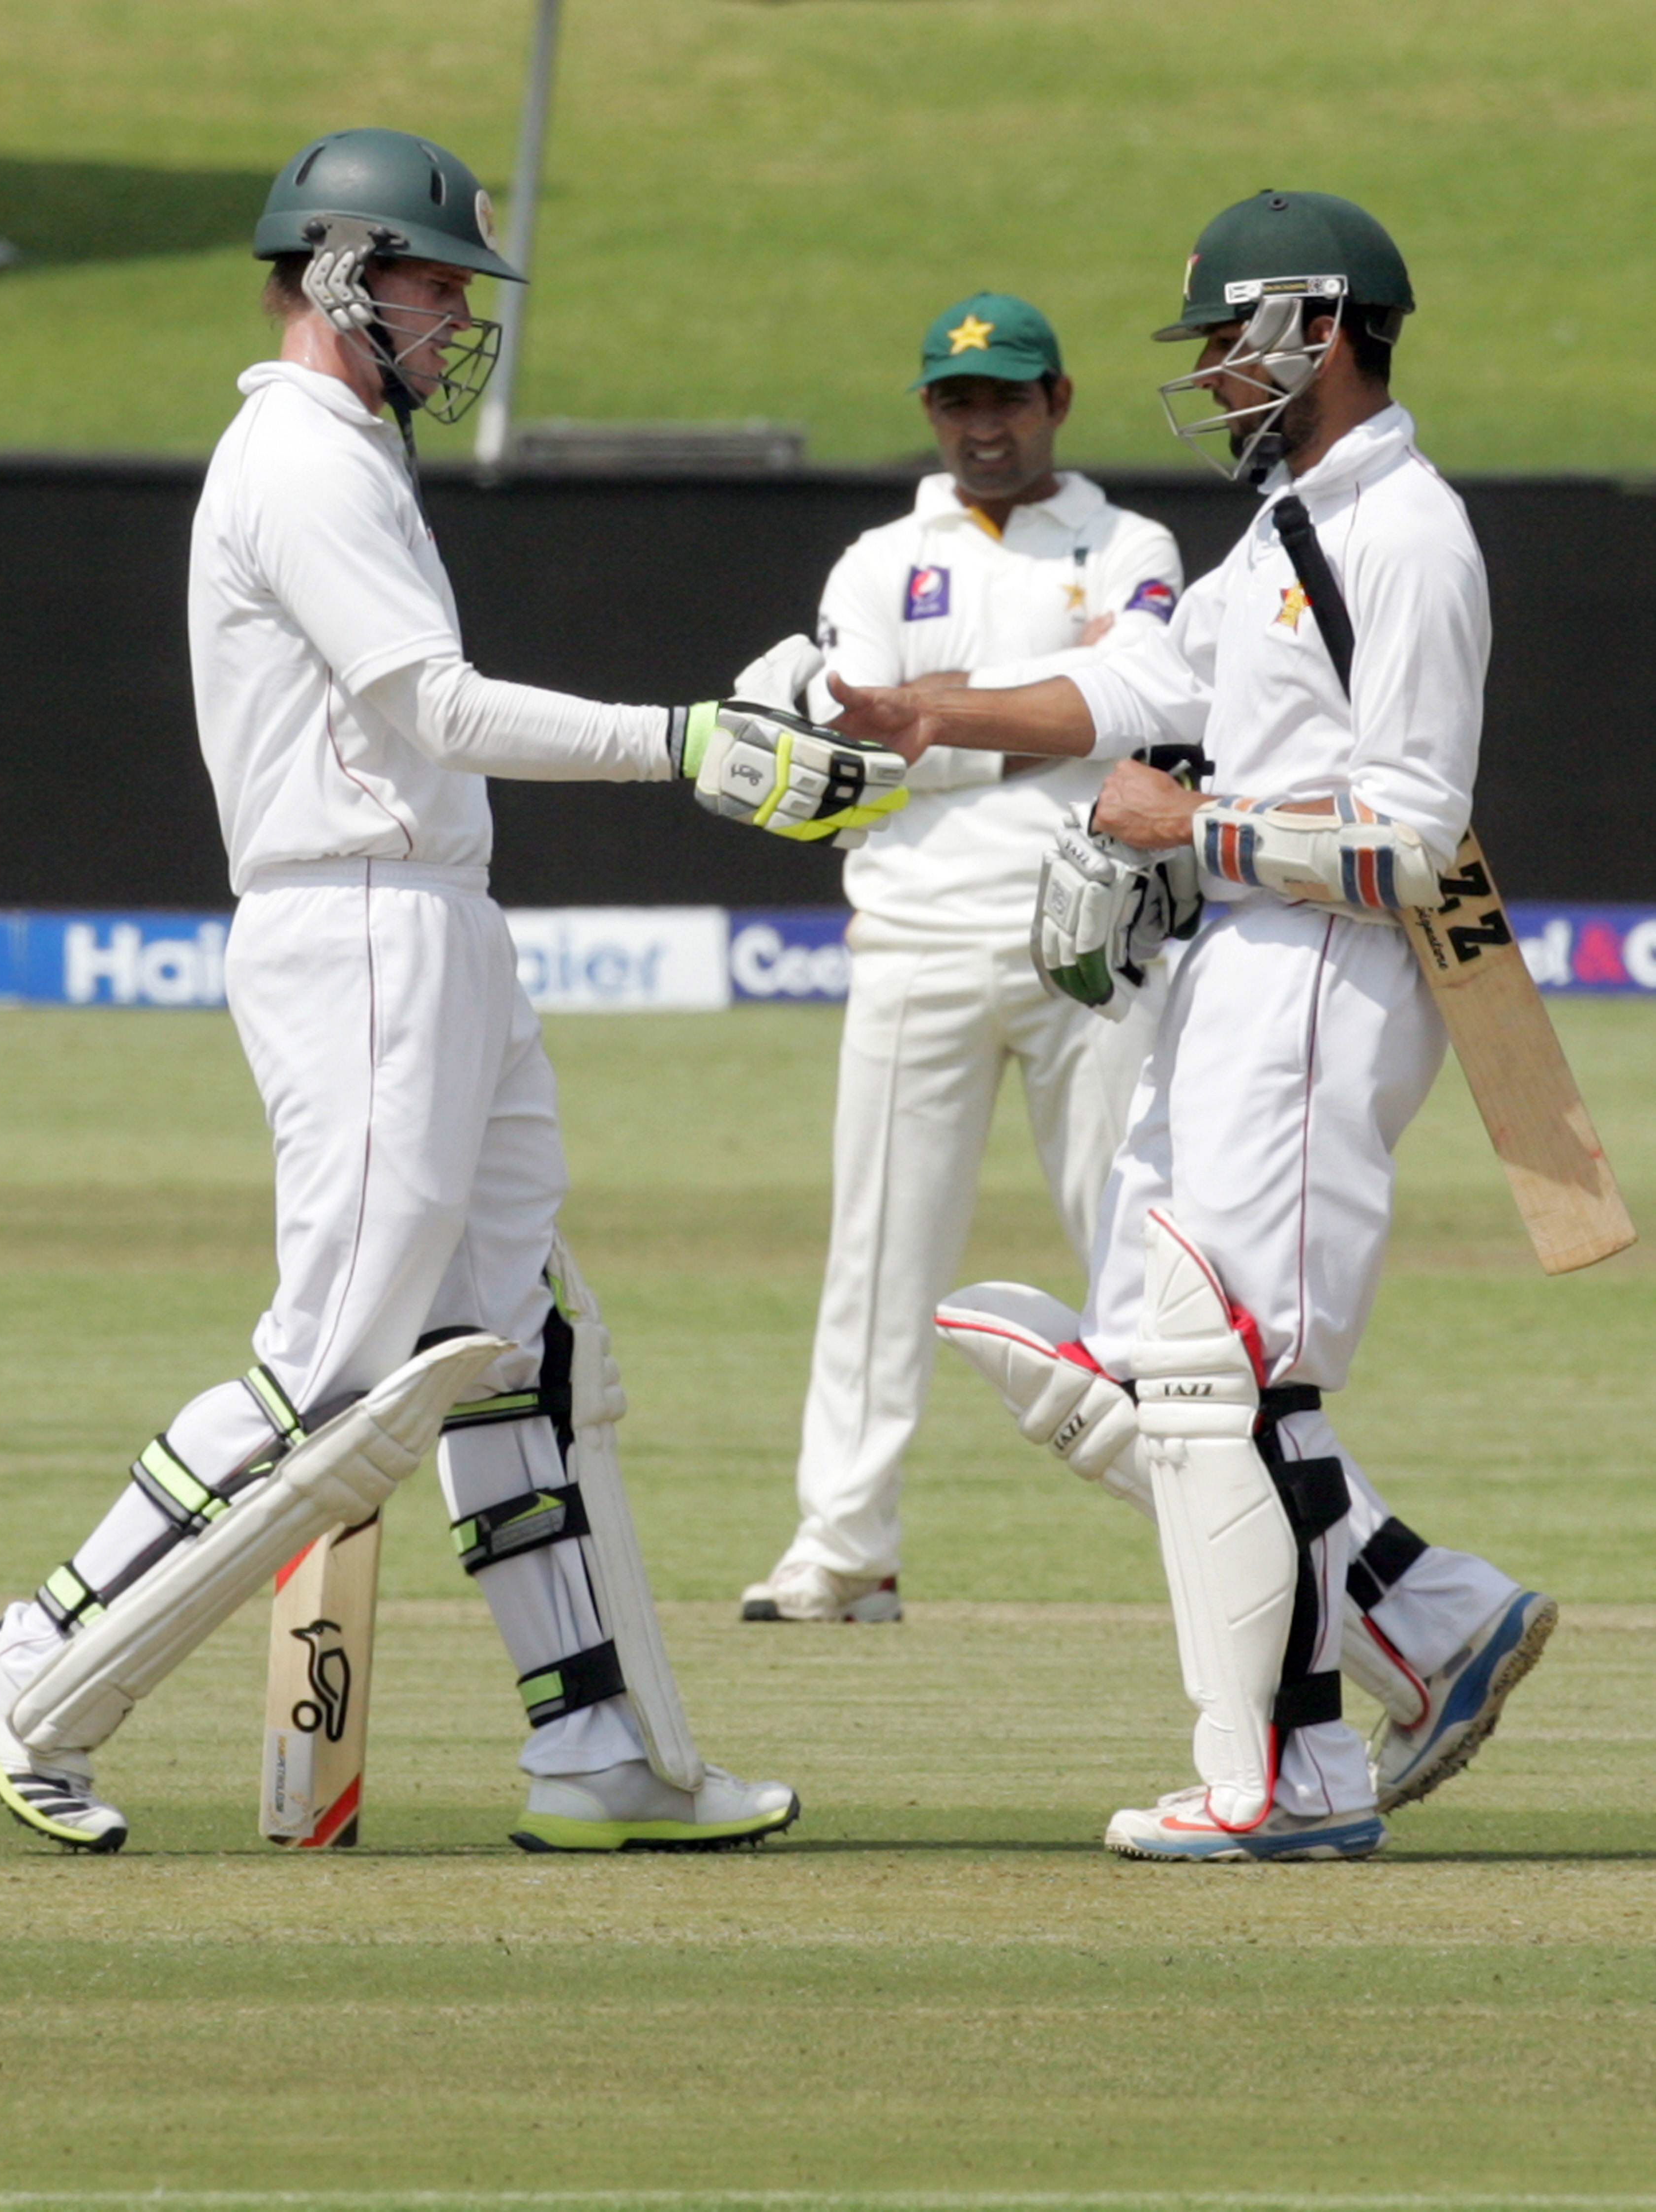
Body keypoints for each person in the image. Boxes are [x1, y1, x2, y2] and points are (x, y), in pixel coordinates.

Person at [0, 126, 905, 1857]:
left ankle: (599, 1746)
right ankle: (33, 1658)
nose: (461, 320)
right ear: (338, 274)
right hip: (358, 925)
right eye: (439, 285)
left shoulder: (354, 452)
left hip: (433, 920)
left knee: (524, 1350)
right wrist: (688, 743)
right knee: (338, 1375)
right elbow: (434, 710)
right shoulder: (295, 463)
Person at [829, 190, 1555, 1861]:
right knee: (1192, 1377)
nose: (1218, 373)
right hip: (1240, 973)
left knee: (1249, 1384)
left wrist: (1195, 835)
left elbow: (1415, 844)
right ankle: (1381, 1670)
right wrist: (933, 709)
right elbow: (1140, 688)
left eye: (1234, 340)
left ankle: (1286, 1776)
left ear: (1322, 326)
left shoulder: (1409, 536)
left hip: (1326, 975)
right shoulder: (1292, 519)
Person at [737, 292, 1184, 1625]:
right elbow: (868, 750)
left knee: (1136, 1244)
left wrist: (941, 710)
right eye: (958, 402)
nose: (984, 426)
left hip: (1087, 935)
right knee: (878, 1255)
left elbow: (1150, 701)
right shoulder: (879, 559)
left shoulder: (1128, 540)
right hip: (914, 938)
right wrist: (1056, 706)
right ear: (931, 411)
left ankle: (1206, 1518)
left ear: (1058, 401)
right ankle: (842, 1544)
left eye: (1008, 399)